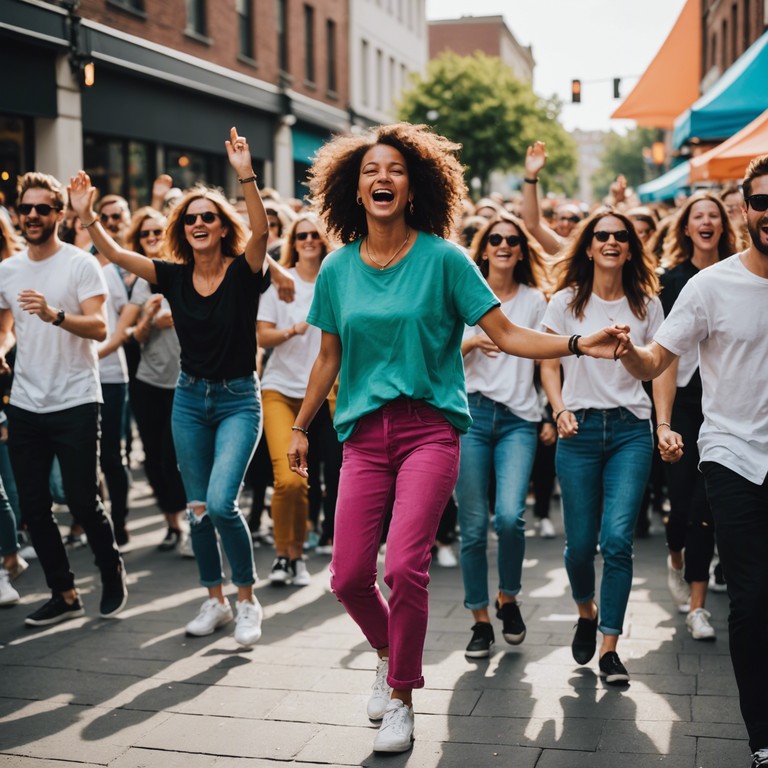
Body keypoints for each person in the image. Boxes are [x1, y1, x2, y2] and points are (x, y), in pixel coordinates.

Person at [284, 123, 629, 753]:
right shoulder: (336, 267)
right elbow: (328, 358)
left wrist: (580, 344)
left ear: (413, 186)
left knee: (407, 567)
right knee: (348, 575)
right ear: (353, 188)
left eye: (394, 170)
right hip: (362, 435)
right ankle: (388, 656)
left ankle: (402, 699)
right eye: (370, 171)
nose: (382, 178)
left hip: (429, 433)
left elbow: (510, 336)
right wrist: (301, 427)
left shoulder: (445, 259)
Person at [68, 127, 293, 648]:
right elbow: (120, 258)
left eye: (207, 217)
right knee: (196, 508)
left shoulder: (244, 271)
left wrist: (245, 176)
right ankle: (213, 599)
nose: (197, 223)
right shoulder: (171, 275)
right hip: (189, 398)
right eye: (189, 218)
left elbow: (260, 232)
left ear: (221, 227)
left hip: (239, 397)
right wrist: (86, 218)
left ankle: (247, 599)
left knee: (220, 504)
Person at [615, 155, 768, 768]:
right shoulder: (711, 286)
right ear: (746, 210)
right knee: (753, 600)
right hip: (733, 454)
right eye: (762, 202)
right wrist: (629, 355)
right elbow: (658, 361)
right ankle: (762, 735)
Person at [540, 208, 663, 685]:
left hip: (632, 429)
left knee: (616, 541)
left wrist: (633, 356)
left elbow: (657, 368)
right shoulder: (565, 303)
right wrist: (558, 408)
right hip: (580, 430)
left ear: (631, 248)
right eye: (601, 235)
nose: (611, 241)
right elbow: (549, 361)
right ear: (588, 246)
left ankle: (609, 647)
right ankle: (586, 611)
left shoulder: (647, 304)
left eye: (620, 236)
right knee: (578, 548)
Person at [0, 172, 127, 626]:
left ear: (59, 214)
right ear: (18, 213)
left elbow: (99, 328)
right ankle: (64, 592)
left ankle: (110, 569)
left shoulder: (80, 264)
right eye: (26, 209)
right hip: (27, 400)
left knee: (81, 500)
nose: (33, 216)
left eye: (43, 208)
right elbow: (4, 328)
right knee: (33, 506)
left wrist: (55, 314)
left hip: (75, 397)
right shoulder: (8, 271)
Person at [455, 214, 548, 659]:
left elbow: (548, 358)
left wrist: (553, 409)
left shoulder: (534, 300)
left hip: (518, 419)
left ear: (521, 249)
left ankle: (507, 597)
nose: (505, 245)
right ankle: (479, 619)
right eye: (496, 239)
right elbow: (437, 348)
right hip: (470, 416)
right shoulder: (465, 288)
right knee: (472, 526)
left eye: (513, 239)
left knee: (509, 517)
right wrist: (472, 343)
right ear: (484, 247)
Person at [654, 192, 738, 638]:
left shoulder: (741, 273)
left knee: (707, 506)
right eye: (697, 217)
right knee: (682, 501)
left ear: (724, 224)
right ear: (685, 228)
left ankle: (698, 606)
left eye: (713, 215)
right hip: (685, 401)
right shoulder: (672, 281)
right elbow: (664, 354)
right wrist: (663, 422)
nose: (706, 222)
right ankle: (675, 555)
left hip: (726, 400)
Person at [256, 213, 340, 585]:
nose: (308, 240)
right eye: (302, 235)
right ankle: (284, 555)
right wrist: (294, 328)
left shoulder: (337, 280)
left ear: (324, 241)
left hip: (327, 395)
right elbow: (262, 337)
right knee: (288, 479)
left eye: (315, 235)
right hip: (279, 390)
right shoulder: (281, 282)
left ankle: (299, 554)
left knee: (323, 476)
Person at [123, 208, 187, 552]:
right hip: (149, 382)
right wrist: (149, 320)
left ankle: (191, 520)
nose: (151, 239)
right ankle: (172, 523)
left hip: (184, 382)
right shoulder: (142, 283)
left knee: (173, 455)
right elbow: (132, 334)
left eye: (157, 233)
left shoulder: (184, 272)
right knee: (153, 456)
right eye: (145, 234)